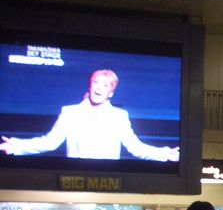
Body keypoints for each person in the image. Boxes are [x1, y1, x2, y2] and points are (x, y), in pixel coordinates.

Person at [0, 69, 179, 161]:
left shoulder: (119, 116)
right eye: (96, 82)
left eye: (106, 85)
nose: (100, 87)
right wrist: (16, 146)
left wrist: (164, 154)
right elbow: (50, 142)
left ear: (111, 93)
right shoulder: (70, 112)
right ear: (90, 85)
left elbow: (135, 147)